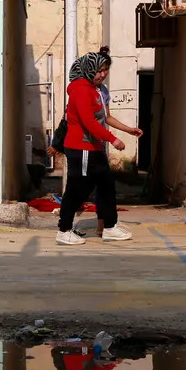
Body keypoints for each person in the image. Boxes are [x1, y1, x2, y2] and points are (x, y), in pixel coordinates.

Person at [55, 52, 139, 245]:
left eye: (105, 70)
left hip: (94, 147)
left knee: (106, 185)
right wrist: (112, 139)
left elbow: (104, 117)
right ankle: (64, 229)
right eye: (99, 70)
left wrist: (128, 130)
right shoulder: (80, 89)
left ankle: (109, 227)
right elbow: (88, 121)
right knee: (78, 189)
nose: (102, 74)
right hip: (82, 147)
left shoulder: (95, 90)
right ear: (89, 69)